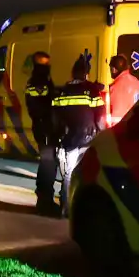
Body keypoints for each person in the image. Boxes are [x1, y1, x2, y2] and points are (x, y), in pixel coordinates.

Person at [51, 56, 106, 218]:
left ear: (72, 74)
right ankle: (90, 211)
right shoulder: (92, 91)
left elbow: (55, 119)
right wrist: (102, 135)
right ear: (86, 74)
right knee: (91, 174)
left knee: (68, 174)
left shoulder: (60, 92)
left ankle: (66, 209)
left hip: (69, 140)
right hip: (88, 139)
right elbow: (100, 118)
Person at [24, 51, 58, 216]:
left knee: (49, 164)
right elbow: (42, 107)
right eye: (45, 64)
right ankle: (44, 201)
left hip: (45, 128)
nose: (47, 68)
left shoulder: (39, 81)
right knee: (48, 165)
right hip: (45, 129)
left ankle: (45, 200)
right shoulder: (38, 82)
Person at [107, 54, 139, 124]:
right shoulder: (136, 81)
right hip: (137, 123)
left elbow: (116, 115)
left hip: (122, 128)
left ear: (114, 69)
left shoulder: (116, 86)